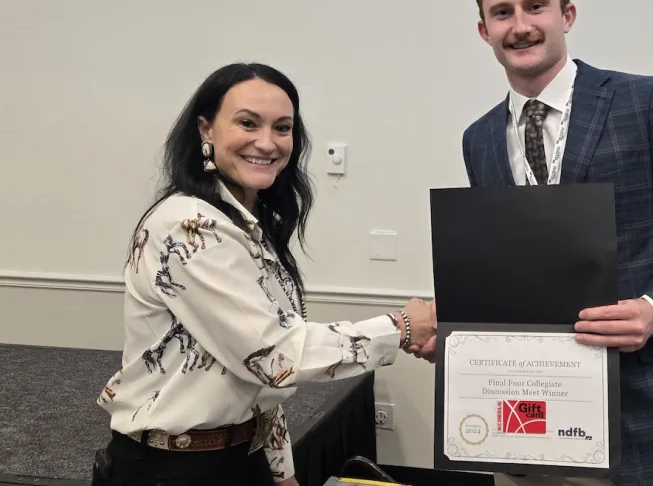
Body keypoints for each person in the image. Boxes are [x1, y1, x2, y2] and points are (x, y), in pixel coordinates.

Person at [411, 0, 653, 485]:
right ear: (483, 30)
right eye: (502, 12)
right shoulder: (480, 139)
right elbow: (506, 268)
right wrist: (456, 329)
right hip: (517, 415)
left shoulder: (645, 101)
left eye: (535, 6)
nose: (520, 25)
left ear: (567, 15)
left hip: (633, 402)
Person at [92, 62, 437, 486]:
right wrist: (402, 327)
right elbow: (276, 354)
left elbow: (251, 374)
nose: (267, 142)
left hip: (239, 459)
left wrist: (280, 469)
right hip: (173, 471)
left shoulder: (244, 224)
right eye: (247, 123)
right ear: (206, 129)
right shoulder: (188, 226)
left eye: (283, 127)